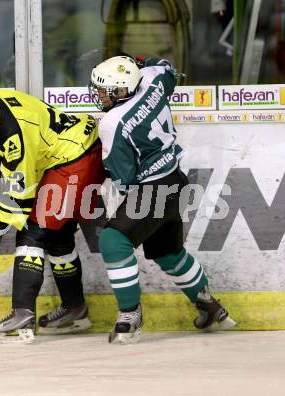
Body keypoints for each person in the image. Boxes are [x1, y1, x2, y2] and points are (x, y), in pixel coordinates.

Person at [88, 55, 236, 344]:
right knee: (168, 253)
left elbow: (124, 178)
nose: (100, 95)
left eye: (104, 90)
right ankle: (209, 304)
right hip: (176, 182)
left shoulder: (112, 122)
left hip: (153, 189)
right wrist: (145, 61)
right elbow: (166, 66)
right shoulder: (154, 81)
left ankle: (130, 313)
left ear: (121, 90)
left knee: (113, 240)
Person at [0, 84, 104, 343]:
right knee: (58, 236)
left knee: (32, 232)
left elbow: (21, 197)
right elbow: (12, 167)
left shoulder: (10, 131)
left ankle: (22, 313)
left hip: (76, 159)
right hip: (75, 151)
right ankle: (76, 309)